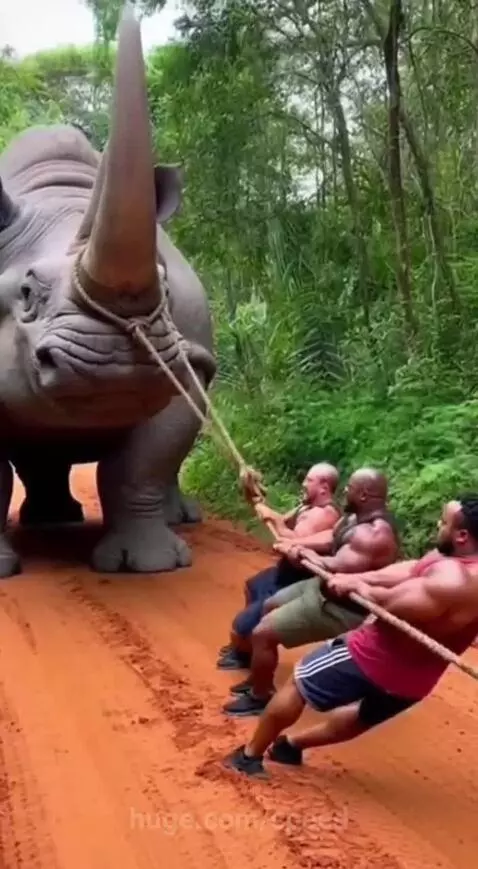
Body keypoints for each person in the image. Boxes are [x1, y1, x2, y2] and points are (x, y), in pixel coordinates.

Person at [222, 495, 478, 778]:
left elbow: (392, 605)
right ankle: (290, 746)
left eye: (444, 523)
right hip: (416, 681)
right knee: (363, 717)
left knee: (299, 683)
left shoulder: (451, 579)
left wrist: (357, 587)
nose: (438, 525)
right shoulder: (449, 561)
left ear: (463, 535)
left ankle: (249, 756)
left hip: (372, 655)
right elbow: (412, 569)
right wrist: (362, 579)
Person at [223, 468, 401, 715]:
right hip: (320, 587)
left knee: (263, 634)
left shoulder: (374, 534)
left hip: (340, 606)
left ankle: (260, 697)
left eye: (350, 488)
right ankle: (258, 677)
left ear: (364, 495)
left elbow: (337, 566)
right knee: (268, 605)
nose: (345, 491)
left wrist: (304, 554)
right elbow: (330, 537)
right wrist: (297, 544)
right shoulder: (353, 517)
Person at [217, 462, 341, 670]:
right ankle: (245, 646)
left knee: (242, 625)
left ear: (324, 487)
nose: (303, 483)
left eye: (308, 480)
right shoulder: (307, 505)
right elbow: (281, 521)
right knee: (253, 586)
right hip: (285, 571)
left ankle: (245, 650)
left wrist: (276, 521)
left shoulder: (325, 514)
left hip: (297, 578)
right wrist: (257, 500)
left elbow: (292, 540)